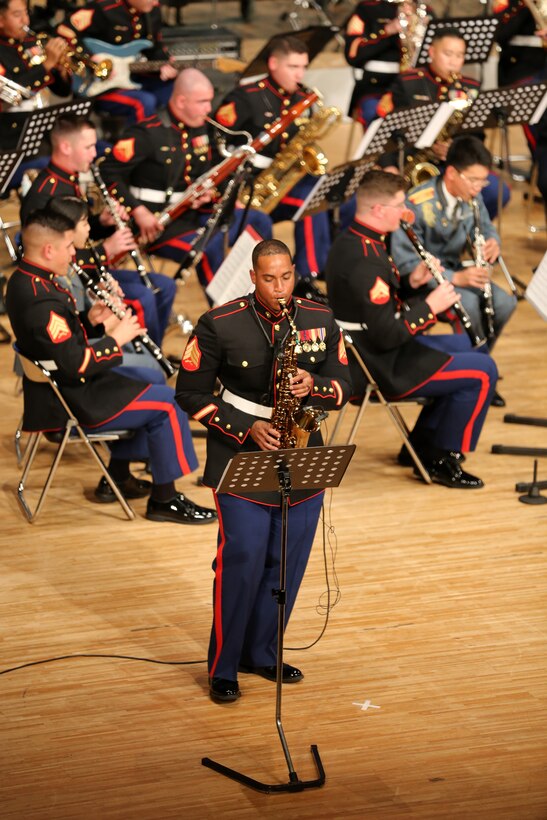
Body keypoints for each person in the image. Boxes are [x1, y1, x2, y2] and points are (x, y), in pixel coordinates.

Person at [175, 238, 352, 703]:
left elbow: (346, 381)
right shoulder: (219, 323)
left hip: (301, 449)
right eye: (269, 279)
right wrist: (245, 426)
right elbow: (189, 394)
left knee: (287, 561)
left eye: (286, 277)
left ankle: (263, 653)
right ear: (252, 277)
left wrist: (317, 384)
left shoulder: (318, 317)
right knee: (243, 560)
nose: (279, 288)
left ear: (295, 272)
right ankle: (223, 665)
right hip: (240, 454)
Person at [7, 208, 216, 523]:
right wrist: (116, 339)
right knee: (167, 404)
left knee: (150, 382)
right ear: (48, 250)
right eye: (67, 247)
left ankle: (118, 475)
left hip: (64, 387)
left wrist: (90, 323)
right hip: (69, 400)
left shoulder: (29, 281)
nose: (73, 252)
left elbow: (60, 344)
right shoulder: (40, 300)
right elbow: (75, 363)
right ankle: (165, 499)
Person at [326, 169, 498, 488]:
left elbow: (375, 303)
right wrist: (430, 306)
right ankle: (438, 459)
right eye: (399, 204)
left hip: (374, 347)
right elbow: (385, 334)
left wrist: (412, 283)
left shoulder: (358, 240)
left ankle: (420, 447)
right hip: (376, 363)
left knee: (469, 347)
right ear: (379, 210)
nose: (407, 212)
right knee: (483, 371)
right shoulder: (365, 259)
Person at [100, 68, 272, 293]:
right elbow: (108, 172)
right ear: (181, 101)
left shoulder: (201, 128)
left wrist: (212, 193)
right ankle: (229, 310)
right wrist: (138, 211)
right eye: (202, 102)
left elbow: (211, 169)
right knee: (208, 247)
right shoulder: (147, 133)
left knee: (258, 220)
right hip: (156, 224)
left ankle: (265, 292)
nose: (209, 109)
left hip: (191, 213)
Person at [19, 112, 176, 346]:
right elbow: (51, 259)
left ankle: (155, 352)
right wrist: (106, 250)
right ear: (65, 147)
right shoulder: (46, 195)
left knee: (165, 286)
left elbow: (74, 234)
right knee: (144, 297)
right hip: (68, 284)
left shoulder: (68, 180)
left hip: (88, 270)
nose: (95, 153)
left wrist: (101, 223)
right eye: (89, 147)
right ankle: (142, 361)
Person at [390, 136, 517, 405]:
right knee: (470, 303)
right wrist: (454, 278)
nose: (479, 187)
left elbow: (485, 226)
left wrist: (494, 243)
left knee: (504, 302)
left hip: (458, 273)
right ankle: (461, 374)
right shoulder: (417, 202)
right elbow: (406, 262)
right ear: (451, 173)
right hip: (423, 281)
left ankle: (480, 366)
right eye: (474, 180)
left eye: (483, 181)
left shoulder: (472, 196)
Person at [213, 35, 333, 280]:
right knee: (303, 203)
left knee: (319, 193)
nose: (300, 75)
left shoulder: (303, 98)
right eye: (293, 67)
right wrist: (229, 192)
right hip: (248, 186)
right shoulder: (246, 97)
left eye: (303, 67)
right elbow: (218, 146)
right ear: (273, 64)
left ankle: (309, 271)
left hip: (280, 182)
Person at [377, 27, 509, 219]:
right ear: (431, 52)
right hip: (413, 162)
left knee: (498, 192)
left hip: (456, 164)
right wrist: (390, 167)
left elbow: (477, 138)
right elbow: (388, 129)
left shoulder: (471, 88)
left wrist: (455, 149)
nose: (454, 61)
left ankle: (467, 234)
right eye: (448, 54)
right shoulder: (408, 82)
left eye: (460, 55)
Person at [58, 0, 177, 124]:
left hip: (132, 77)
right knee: (144, 101)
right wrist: (89, 58)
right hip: (100, 85)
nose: (155, 2)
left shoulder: (153, 11)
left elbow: (154, 47)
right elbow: (64, 31)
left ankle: (164, 136)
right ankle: (134, 140)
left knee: (173, 88)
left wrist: (165, 64)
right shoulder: (103, 8)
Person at [344, 0, 431, 125]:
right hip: (377, 87)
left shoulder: (424, 10)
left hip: (415, 86)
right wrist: (387, 30)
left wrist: (423, 32)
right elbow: (352, 54)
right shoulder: (367, 8)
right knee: (377, 118)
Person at [0, 0, 71, 118]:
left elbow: (62, 92)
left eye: (26, 13)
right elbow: (10, 94)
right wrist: (46, 65)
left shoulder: (31, 42)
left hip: (42, 116)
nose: (25, 21)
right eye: (17, 15)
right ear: (1, 20)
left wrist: (61, 71)